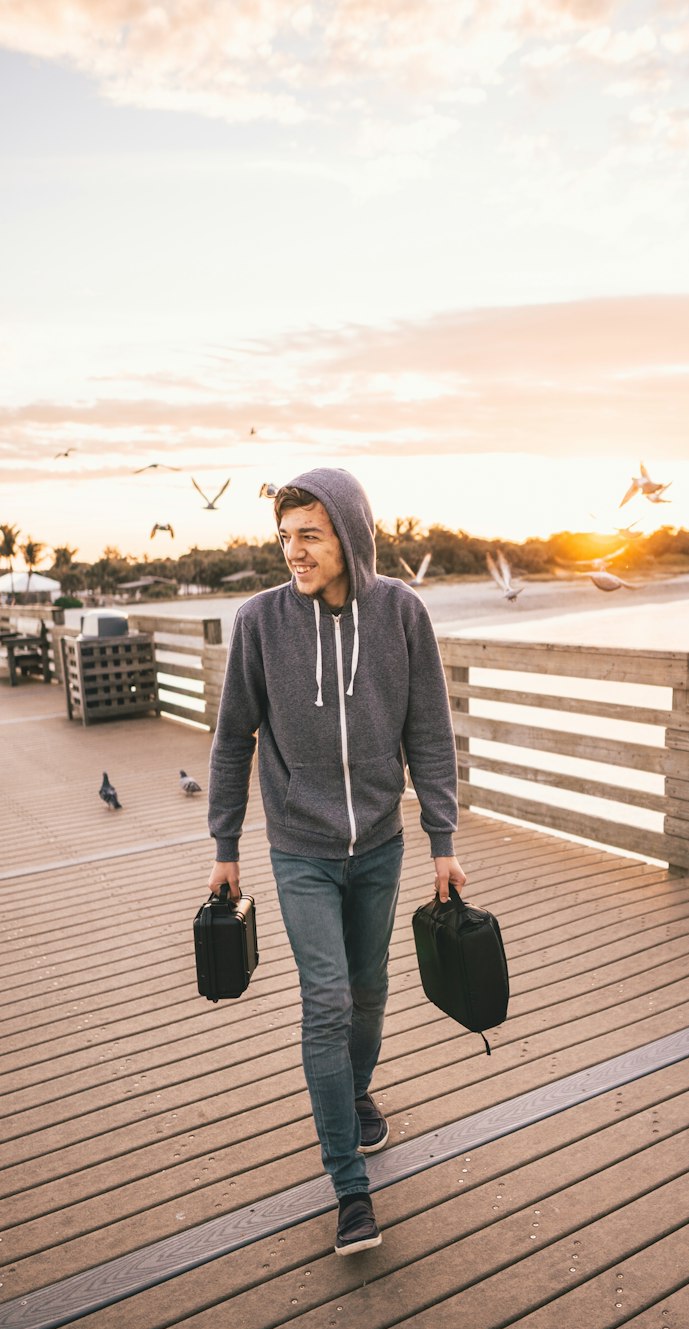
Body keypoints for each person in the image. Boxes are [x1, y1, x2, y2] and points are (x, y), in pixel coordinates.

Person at [207, 467, 465, 1255]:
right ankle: (350, 1189)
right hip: (300, 848)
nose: (294, 552)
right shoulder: (259, 623)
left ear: (349, 535)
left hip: (381, 843)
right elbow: (232, 739)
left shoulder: (401, 614)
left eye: (309, 536)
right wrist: (226, 847)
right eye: (285, 538)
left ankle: (352, 1097)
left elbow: (429, 731)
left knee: (369, 991)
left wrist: (442, 841)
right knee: (325, 1002)